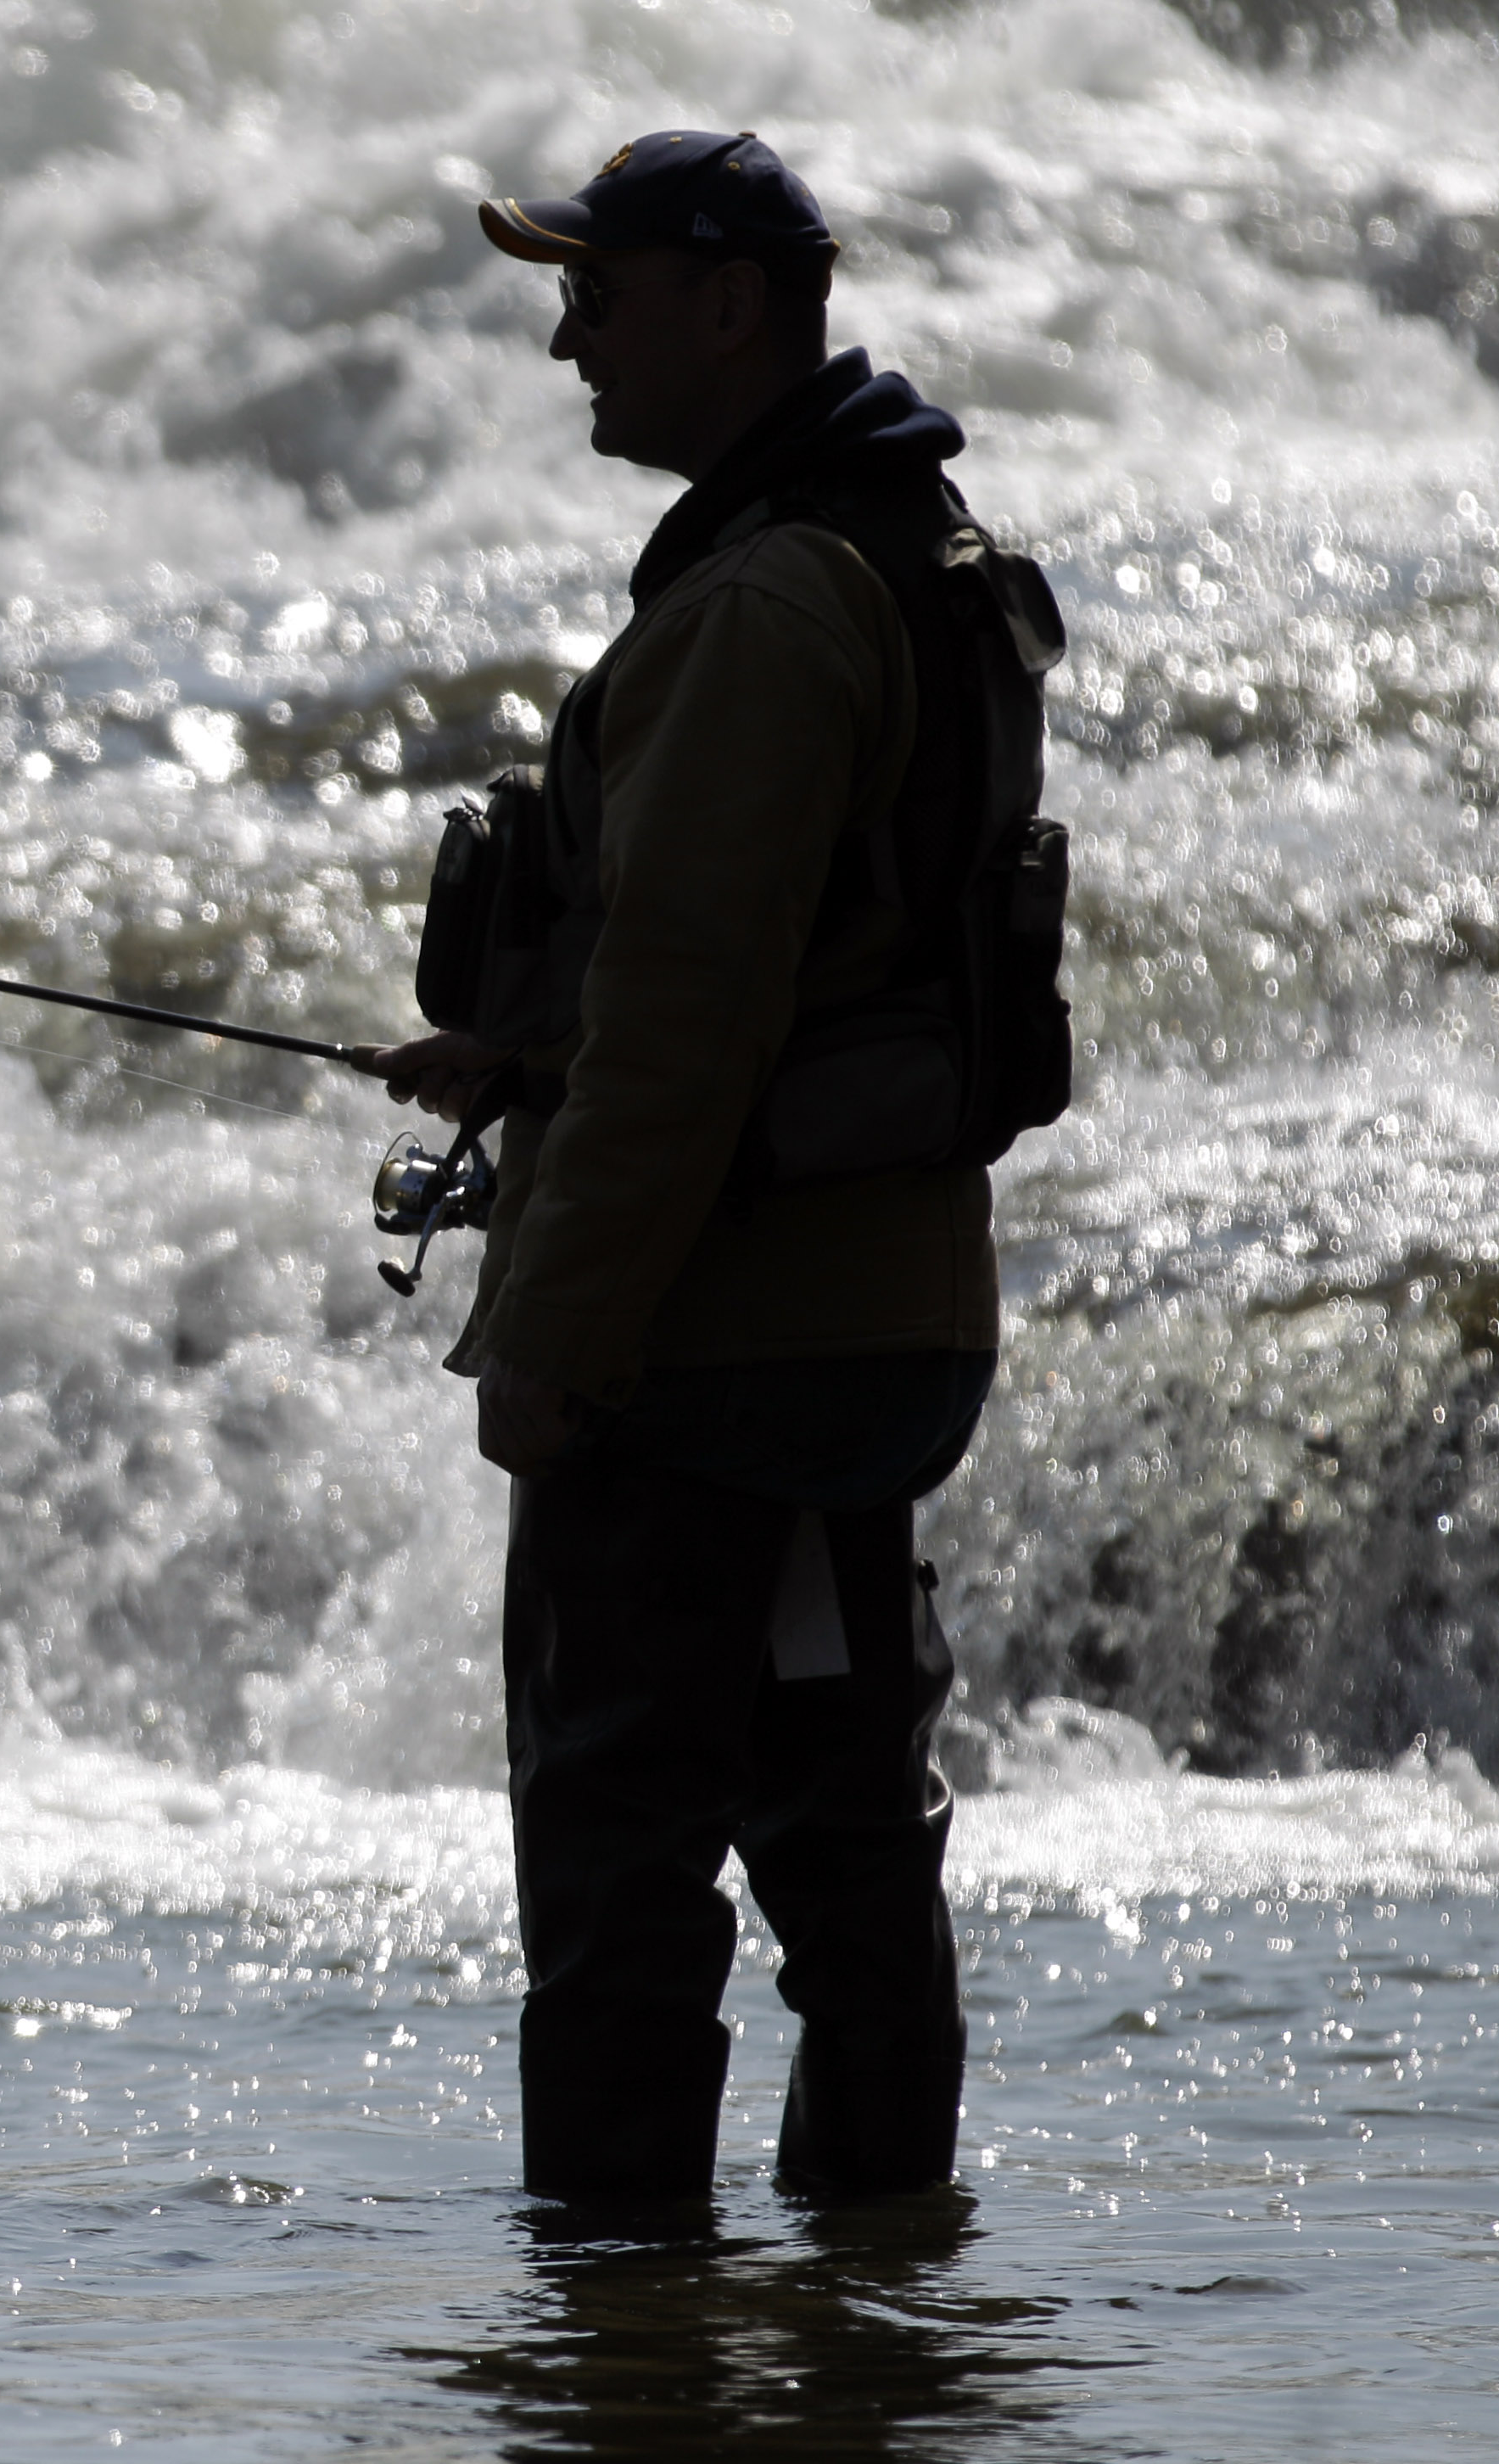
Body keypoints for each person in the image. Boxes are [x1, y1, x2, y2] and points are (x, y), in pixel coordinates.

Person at [367, 130, 1007, 2210]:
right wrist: (529, 1053)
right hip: (850, 1324)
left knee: (620, 1877)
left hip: (705, 1359)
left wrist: (547, 1342)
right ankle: (884, 2301)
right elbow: (797, 968)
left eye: (600, 294)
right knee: (847, 1849)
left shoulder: (760, 602)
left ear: (731, 306)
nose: (569, 342)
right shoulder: (896, 549)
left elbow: (685, 1027)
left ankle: (616, 2327)